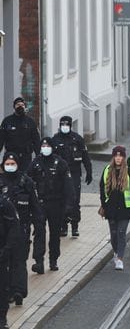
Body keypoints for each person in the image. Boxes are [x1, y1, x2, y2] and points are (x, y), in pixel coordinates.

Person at [0, 152, 43, 305]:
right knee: (5, 261)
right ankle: (7, 291)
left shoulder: (26, 182)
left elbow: (35, 206)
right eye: (7, 163)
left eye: (12, 163)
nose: (10, 166)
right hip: (3, 231)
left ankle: (18, 291)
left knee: (19, 260)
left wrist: (39, 226)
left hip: (22, 228)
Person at [26, 138, 73, 272]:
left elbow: (68, 186)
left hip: (56, 203)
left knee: (54, 233)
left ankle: (53, 260)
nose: (45, 147)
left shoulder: (60, 163)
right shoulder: (35, 163)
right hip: (40, 203)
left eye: (47, 145)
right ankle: (39, 261)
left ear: (52, 147)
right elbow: (27, 181)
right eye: (43, 145)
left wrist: (69, 205)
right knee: (39, 231)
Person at [51, 116, 92, 237]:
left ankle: (75, 226)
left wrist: (88, 171)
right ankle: (63, 226)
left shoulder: (77, 138)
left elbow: (85, 156)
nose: (64, 126)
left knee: (74, 200)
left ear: (70, 125)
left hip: (74, 173)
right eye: (62, 124)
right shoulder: (55, 139)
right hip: (60, 175)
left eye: (66, 124)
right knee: (61, 200)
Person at [99, 146, 130, 271]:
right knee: (113, 234)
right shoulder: (107, 170)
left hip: (125, 208)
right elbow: (102, 189)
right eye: (116, 156)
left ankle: (120, 258)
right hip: (111, 208)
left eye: (121, 156)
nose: (118, 158)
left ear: (124, 158)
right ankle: (116, 251)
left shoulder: (129, 171)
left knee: (121, 233)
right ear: (113, 157)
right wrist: (104, 205)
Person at [0, 97, 40, 170]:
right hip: (11, 155)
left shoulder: (30, 122)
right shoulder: (7, 121)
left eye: (22, 105)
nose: (20, 107)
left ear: (25, 107)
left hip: (26, 157)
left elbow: (36, 140)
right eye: (18, 105)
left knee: (25, 177)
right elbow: (1, 139)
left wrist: (39, 156)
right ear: (14, 107)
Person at [0, 196, 20, 328]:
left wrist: (6, 250)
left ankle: (2, 319)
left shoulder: (5, 205)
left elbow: (14, 228)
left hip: (2, 254)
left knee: (2, 287)